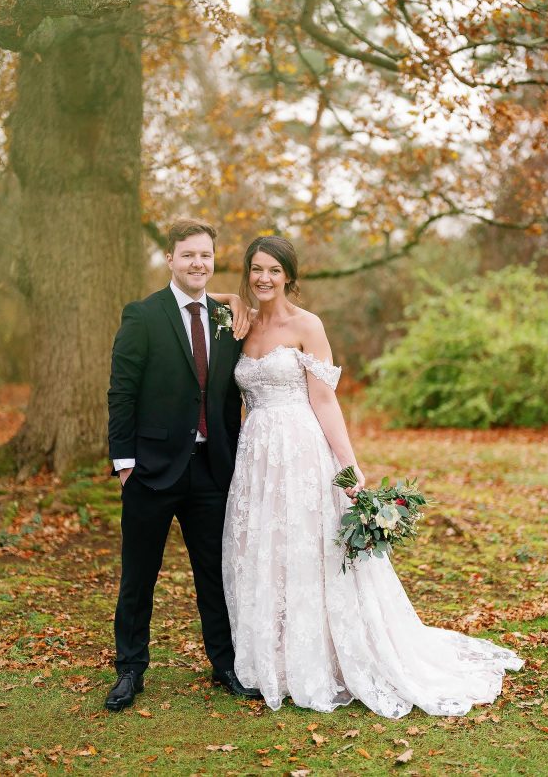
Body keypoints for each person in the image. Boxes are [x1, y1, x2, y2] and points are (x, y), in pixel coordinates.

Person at [222, 235, 524, 718]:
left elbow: (323, 399)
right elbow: (194, 294)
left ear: (289, 277)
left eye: (274, 271)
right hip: (256, 455)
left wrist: (349, 464)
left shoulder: (308, 325)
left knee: (309, 547)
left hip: (301, 450)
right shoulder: (244, 321)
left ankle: (323, 653)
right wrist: (231, 297)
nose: (263, 278)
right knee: (268, 549)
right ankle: (272, 655)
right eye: (256, 269)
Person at [105, 218, 261, 712]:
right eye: (189, 255)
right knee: (139, 575)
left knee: (215, 574)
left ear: (214, 261)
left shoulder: (227, 318)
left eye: (206, 256)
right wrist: (124, 460)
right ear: (170, 259)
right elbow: (122, 390)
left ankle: (226, 665)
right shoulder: (143, 315)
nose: (198, 264)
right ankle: (130, 669)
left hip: (211, 469)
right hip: (150, 469)